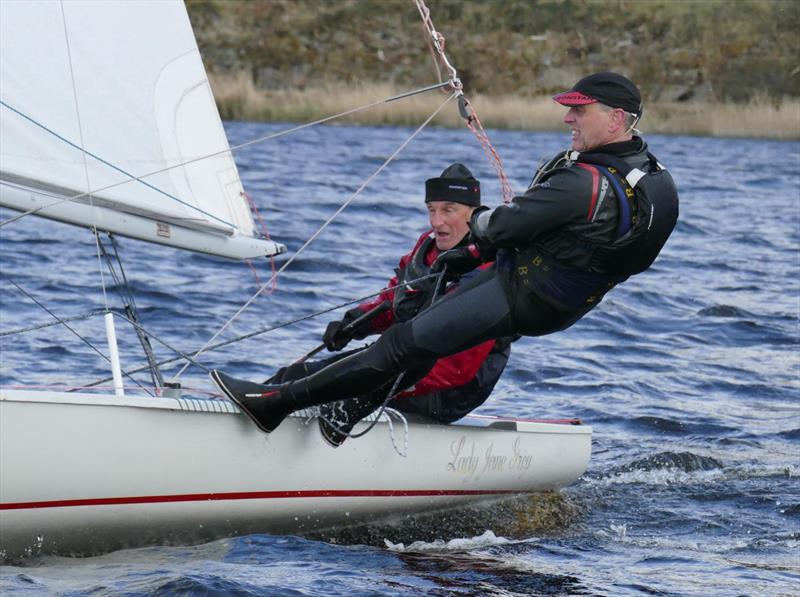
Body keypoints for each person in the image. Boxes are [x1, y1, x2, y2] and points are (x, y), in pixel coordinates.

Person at [211, 71, 679, 435]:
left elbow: (500, 224)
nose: (567, 119)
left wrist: (475, 232)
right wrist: (467, 255)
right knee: (416, 340)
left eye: (580, 110)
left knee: (401, 345)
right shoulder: (654, 181)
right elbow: (623, 255)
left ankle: (273, 407)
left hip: (518, 292)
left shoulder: (582, 184)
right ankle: (344, 409)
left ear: (616, 118)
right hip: (558, 303)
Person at [265, 163, 513, 446]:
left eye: (448, 210)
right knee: (297, 375)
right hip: (401, 361)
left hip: (450, 388)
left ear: (474, 214)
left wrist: (370, 382)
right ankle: (244, 412)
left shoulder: (488, 270)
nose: (436, 222)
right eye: (431, 209)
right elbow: (396, 302)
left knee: (328, 387)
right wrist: (355, 323)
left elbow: (456, 370)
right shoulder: (428, 247)